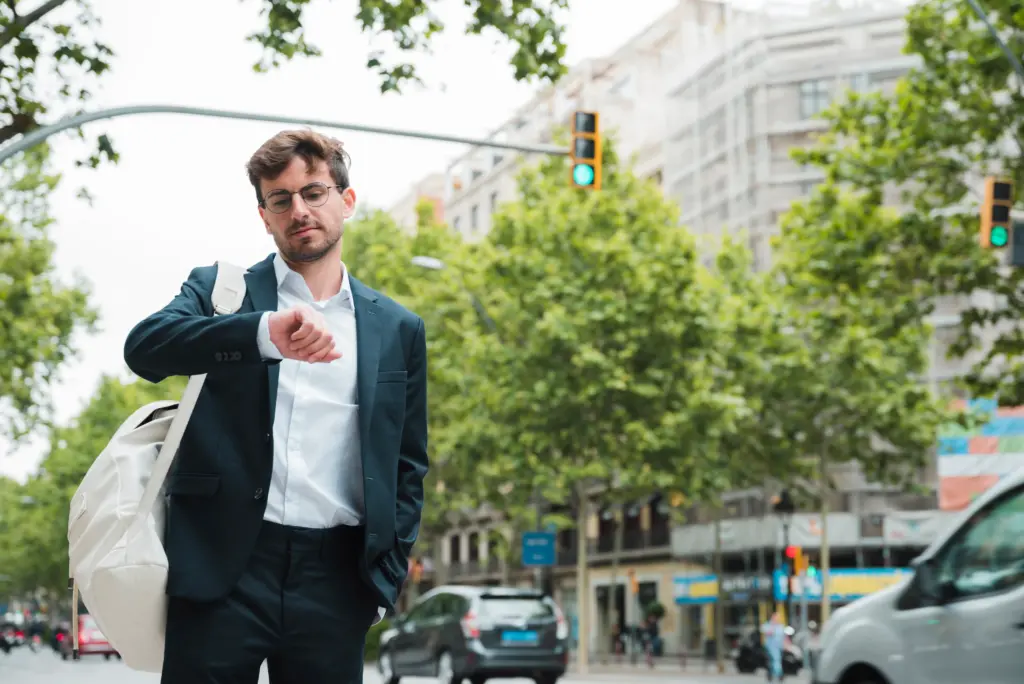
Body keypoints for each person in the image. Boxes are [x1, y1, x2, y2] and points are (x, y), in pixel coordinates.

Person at [123, 129, 429, 684]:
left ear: (347, 200)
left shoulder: (397, 328)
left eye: (314, 192)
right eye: (281, 199)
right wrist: (262, 334)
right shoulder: (224, 293)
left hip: (336, 580)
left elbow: (407, 462)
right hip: (224, 568)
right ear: (264, 215)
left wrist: (382, 579)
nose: (300, 210)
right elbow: (144, 348)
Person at [761, 611, 786, 682]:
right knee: (776, 660)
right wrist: (772, 625)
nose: (777, 619)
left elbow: (783, 636)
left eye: (778, 617)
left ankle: (770, 674)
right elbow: (768, 632)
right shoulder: (767, 625)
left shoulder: (781, 626)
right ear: (772, 617)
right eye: (776, 617)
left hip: (779, 647)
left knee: (774, 661)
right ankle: (779, 674)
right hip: (771, 647)